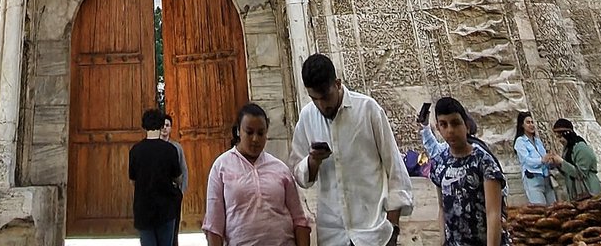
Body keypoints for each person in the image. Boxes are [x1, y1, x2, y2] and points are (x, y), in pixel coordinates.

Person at [290, 54, 413, 246]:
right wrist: (313, 161)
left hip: (374, 234)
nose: (322, 105)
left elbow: (395, 168)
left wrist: (393, 227)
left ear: (337, 84)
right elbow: (298, 173)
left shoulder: (368, 109)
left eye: (326, 97)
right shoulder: (307, 117)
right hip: (332, 236)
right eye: (315, 99)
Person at [203, 102, 311, 246]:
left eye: (261, 133)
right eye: (249, 132)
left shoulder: (280, 169)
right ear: (238, 132)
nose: (255, 139)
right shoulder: (221, 167)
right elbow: (214, 226)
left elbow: (299, 220)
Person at [430, 96, 509, 246]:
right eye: (444, 125)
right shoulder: (439, 163)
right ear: (438, 128)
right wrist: (442, 240)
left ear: (466, 125)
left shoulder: (483, 161)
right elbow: (442, 207)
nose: (450, 130)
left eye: (455, 123)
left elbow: (494, 213)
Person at [128, 107, 182, 246]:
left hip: (143, 208)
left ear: (144, 126)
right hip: (166, 209)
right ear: (160, 125)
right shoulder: (170, 150)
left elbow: (133, 179)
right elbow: (178, 177)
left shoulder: (135, 150)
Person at [545, 118, 601, 199]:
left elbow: (580, 174)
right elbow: (568, 172)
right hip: (575, 192)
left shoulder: (581, 148)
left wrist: (562, 162)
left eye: (560, 137)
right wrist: (557, 163)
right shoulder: (568, 148)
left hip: (588, 189)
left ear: (567, 134)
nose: (559, 140)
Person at [512, 112, 555, 205]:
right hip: (533, 179)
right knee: (540, 209)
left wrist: (550, 160)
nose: (531, 125)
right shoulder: (520, 142)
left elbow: (543, 155)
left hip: (546, 177)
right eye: (528, 122)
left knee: (553, 207)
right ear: (522, 125)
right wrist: (541, 160)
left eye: (532, 122)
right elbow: (527, 161)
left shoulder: (537, 140)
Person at [161, 114, 188, 228]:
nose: (164, 128)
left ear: (171, 128)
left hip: (174, 192)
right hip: (159, 193)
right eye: (162, 125)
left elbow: (183, 169)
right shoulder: (155, 147)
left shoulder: (177, 147)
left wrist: (182, 191)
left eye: (167, 125)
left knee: (174, 226)